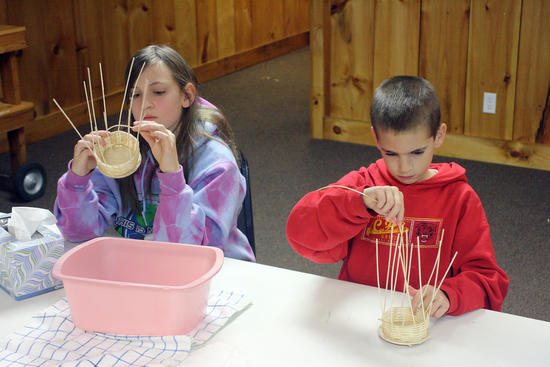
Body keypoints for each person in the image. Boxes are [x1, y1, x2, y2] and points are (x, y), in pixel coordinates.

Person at [286, 76, 508, 317]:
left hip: (428, 327)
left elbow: (488, 280)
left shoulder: (460, 198)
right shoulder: (364, 185)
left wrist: (449, 294)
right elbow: (301, 236)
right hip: (363, 320)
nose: (405, 168)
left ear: (439, 136)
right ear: (376, 139)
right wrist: (358, 203)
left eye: (417, 152)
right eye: (391, 153)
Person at [55, 44, 255, 261]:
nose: (145, 105)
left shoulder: (217, 163)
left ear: (187, 96)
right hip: (153, 271)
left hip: (220, 275)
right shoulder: (125, 155)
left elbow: (190, 253)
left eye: (158, 92)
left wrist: (171, 177)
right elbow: (78, 233)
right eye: (135, 95)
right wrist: (78, 180)